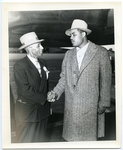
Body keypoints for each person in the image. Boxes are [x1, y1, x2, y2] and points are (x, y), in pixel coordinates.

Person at [47, 19, 112, 141]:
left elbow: (106, 80)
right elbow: (64, 78)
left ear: (83, 34)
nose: (71, 38)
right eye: (70, 35)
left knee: (88, 142)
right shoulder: (68, 55)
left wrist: (104, 103)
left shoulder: (100, 52)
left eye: (74, 34)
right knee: (72, 141)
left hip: (91, 109)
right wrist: (55, 92)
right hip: (71, 109)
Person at [14, 32, 50, 143]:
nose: (42, 47)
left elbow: (44, 85)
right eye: (38, 46)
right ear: (29, 48)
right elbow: (25, 90)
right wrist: (46, 98)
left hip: (43, 112)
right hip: (27, 114)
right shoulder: (20, 66)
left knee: (40, 142)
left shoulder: (43, 62)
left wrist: (48, 105)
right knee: (25, 142)